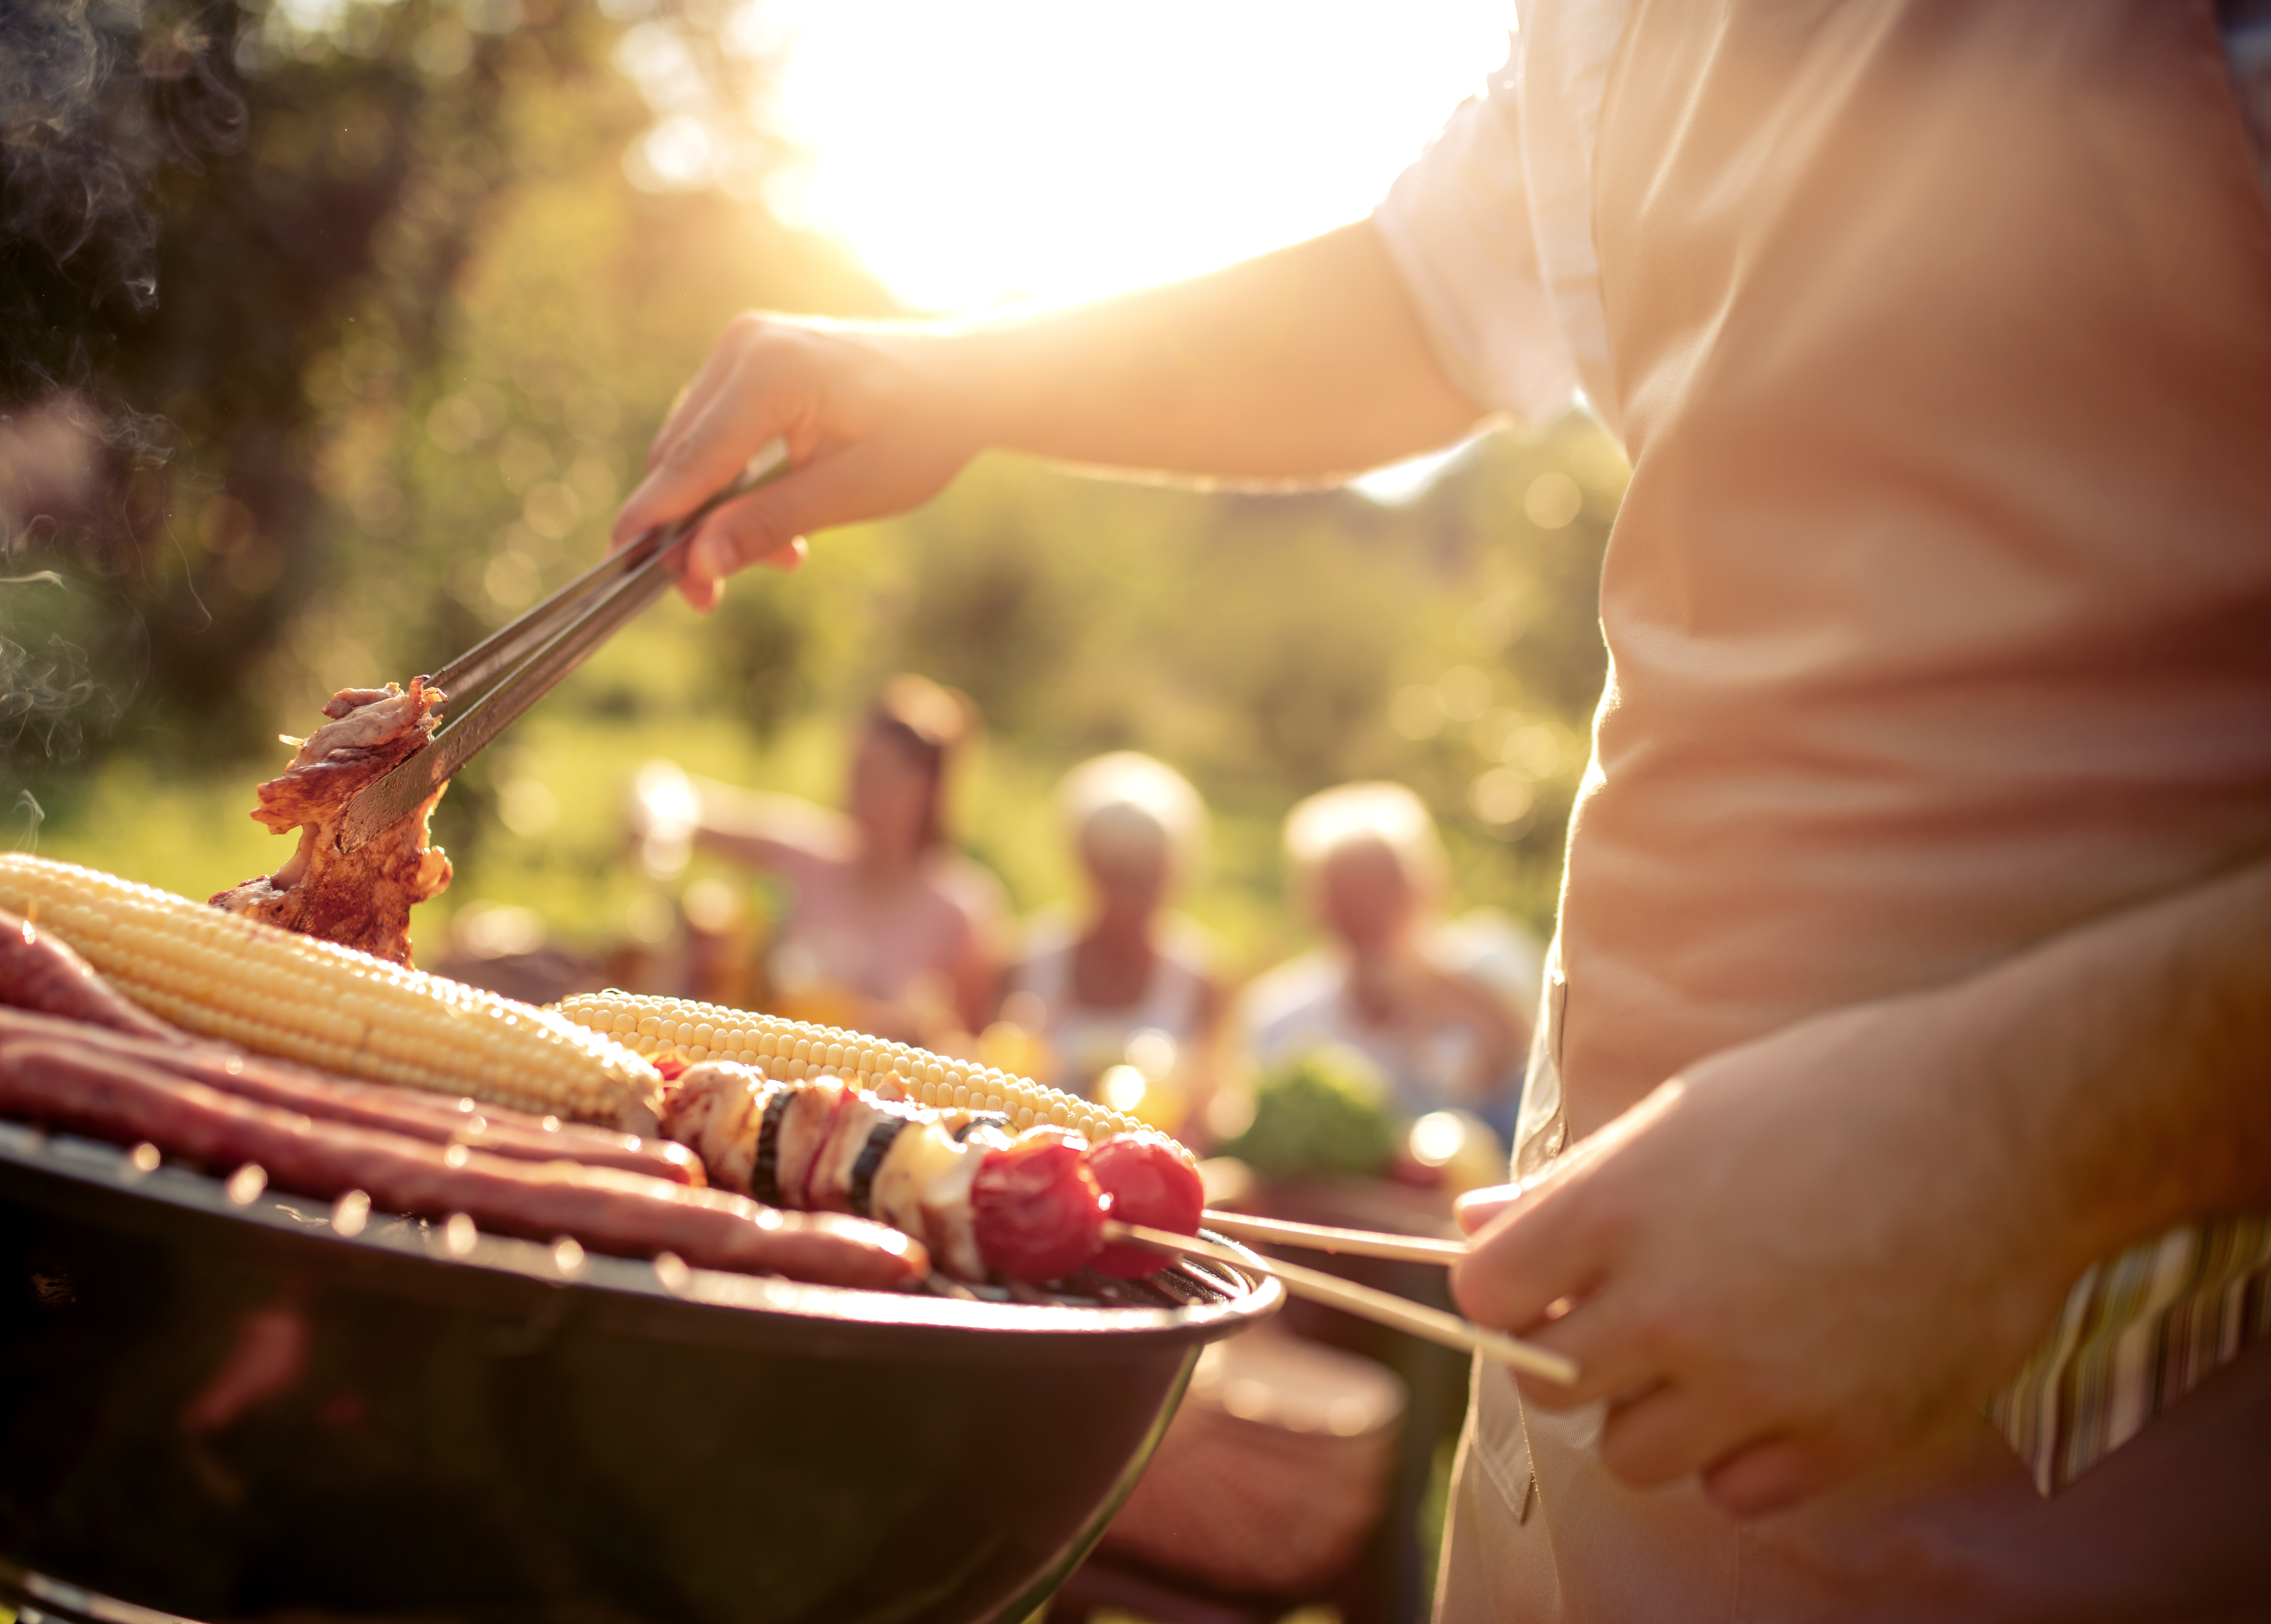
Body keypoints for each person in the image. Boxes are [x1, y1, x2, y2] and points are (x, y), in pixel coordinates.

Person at [607, 2, 2271, 1615]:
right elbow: (1429, 295)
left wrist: (2026, 1136)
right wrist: (961, 373)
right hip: (1578, 1452)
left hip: (2088, 1436)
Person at [629, 674, 1005, 1043]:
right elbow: (670, 796)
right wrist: (655, 827)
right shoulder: (808, 853)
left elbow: (977, 1049)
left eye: (881, 776)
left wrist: (926, 1028)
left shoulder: (964, 911)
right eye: (857, 768)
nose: (858, 790)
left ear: (928, 792)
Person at [1243, 782, 1534, 1148]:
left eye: (1382, 886)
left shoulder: (1492, 960)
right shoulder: (1281, 1013)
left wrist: (1436, 985)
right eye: (1345, 892)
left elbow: (1529, 1074)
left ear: (1424, 887)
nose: (1365, 909)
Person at [1007, 751, 1224, 1124]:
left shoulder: (1204, 981)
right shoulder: (1024, 960)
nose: (1131, 894)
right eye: (1117, 872)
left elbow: (1212, 1108)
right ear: (1085, 866)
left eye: (1148, 874)